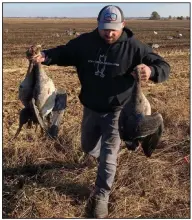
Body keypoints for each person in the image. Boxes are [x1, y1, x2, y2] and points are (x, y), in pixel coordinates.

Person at [27, 5, 170, 218]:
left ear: (123, 25)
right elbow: (65, 52)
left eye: (114, 28)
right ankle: (102, 157)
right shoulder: (85, 42)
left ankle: (102, 194)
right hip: (91, 108)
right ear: (98, 24)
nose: (109, 33)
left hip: (119, 112)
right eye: (105, 28)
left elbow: (163, 66)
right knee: (87, 146)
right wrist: (45, 56)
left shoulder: (134, 47)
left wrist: (151, 70)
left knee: (108, 156)